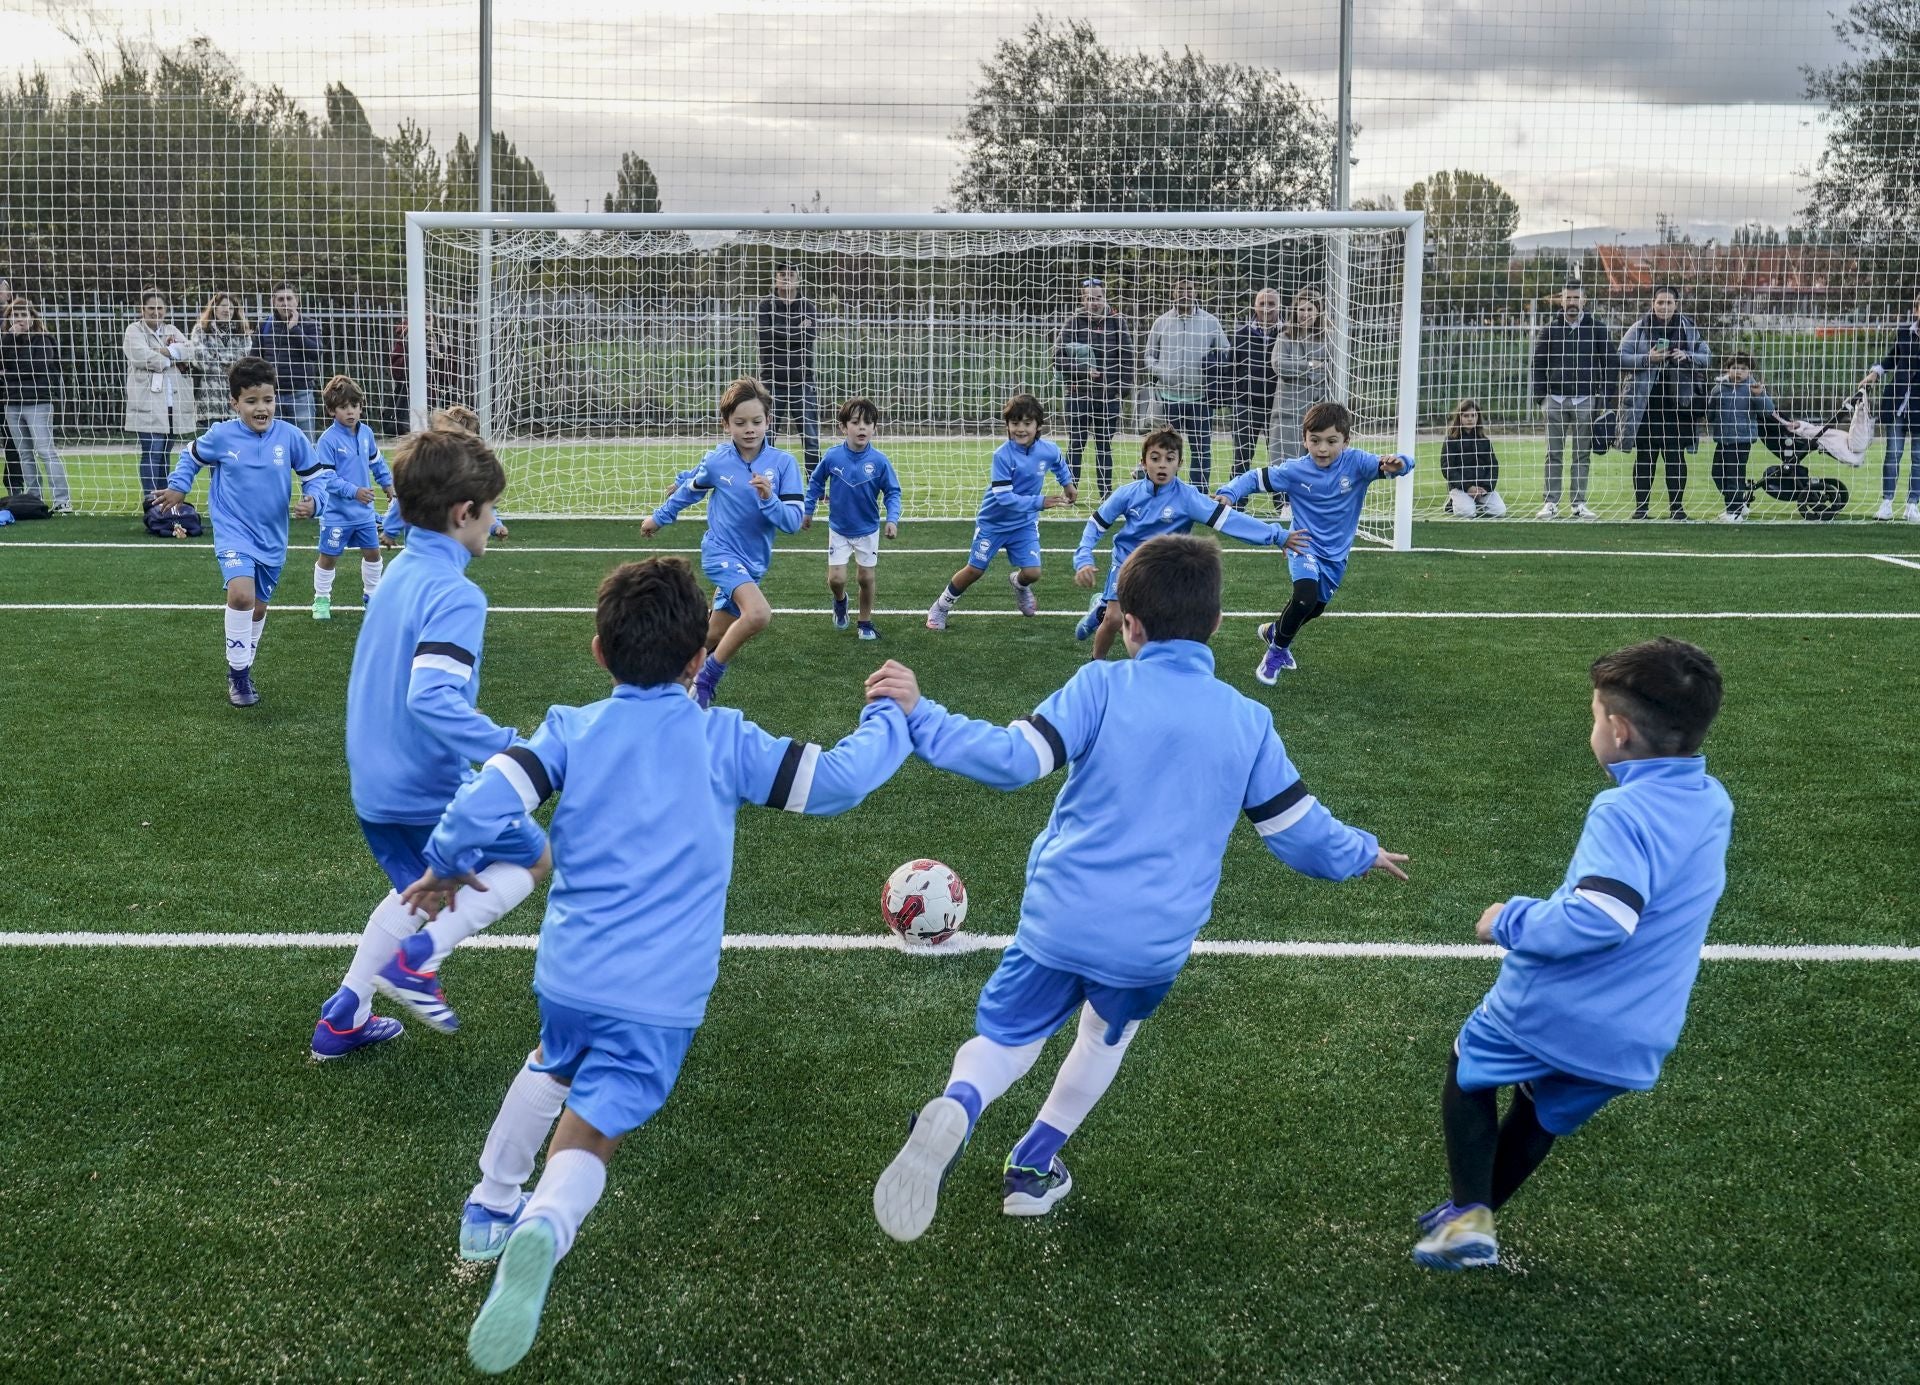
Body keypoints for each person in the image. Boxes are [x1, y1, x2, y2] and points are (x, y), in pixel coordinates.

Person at [399, 557, 913, 1374]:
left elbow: (484, 799)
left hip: (567, 972)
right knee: (595, 1124)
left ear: (599, 655)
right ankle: (544, 1224)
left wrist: (445, 862)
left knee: (553, 1057)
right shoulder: (722, 736)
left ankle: (489, 1201)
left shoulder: (569, 727)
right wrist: (894, 716)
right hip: (662, 995)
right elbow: (838, 781)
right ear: (695, 658)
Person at [868, 534, 1407, 1243]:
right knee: (1102, 1037)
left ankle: (961, 1103)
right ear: (1215, 625)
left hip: (1060, 919)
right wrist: (1362, 852)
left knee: (1004, 1038)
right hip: (1149, 943)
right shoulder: (1248, 720)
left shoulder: (1100, 685)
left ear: (1128, 624)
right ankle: (1032, 1168)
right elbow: (1299, 831)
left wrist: (921, 713)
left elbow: (1011, 759)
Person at [1411, 638, 1729, 1271]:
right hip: (1637, 1034)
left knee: (1468, 1065)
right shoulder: (1713, 801)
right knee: (1540, 1109)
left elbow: (1602, 916)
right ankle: (1472, 1216)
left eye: (1592, 718)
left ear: (1617, 730)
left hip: (1557, 1006)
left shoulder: (1623, 809)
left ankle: (1468, 1214)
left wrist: (1510, 919)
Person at [309, 424, 547, 1060]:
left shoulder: (401, 570)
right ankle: (418, 962)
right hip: (423, 786)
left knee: (420, 890)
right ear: (463, 512)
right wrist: (510, 749)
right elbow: (430, 697)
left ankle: (344, 1014)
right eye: (489, 507)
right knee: (531, 859)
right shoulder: (455, 591)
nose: (493, 520)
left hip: (373, 783)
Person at [149, 356, 327, 707]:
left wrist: (314, 502)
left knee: (258, 609)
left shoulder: (290, 437)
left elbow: (316, 478)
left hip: (273, 538)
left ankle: (244, 663)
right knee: (241, 596)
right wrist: (179, 487)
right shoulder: (222, 435)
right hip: (233, 532)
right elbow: (190, 456)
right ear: (235, 403)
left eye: (268, 400)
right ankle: (239, 675)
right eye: (252, 401)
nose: (262, 408)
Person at [1215, 401, 1412, 684]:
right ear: (1304, 439)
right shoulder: (1295, 470)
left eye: (1332, 441)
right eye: (1315, 440)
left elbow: (1396, 466)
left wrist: (1401, 463)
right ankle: (1276, 653)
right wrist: (1230, 493)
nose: (1322, 449)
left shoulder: (1357, 463)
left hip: (1336, 554)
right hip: (1302, 544)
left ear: (1346, 440)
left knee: (1315, 608)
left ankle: (1275, 631)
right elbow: (1254, 478)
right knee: (1305, 596)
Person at [641, 377, 804, 709]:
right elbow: (692, 489)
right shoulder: (718, 461)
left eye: (757, 421)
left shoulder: (784, 465)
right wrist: (658, 518)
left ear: (768, 421)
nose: (749, 429)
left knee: (709, 638)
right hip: (720, 552)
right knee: (758, 614)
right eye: (740, 422)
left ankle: (661, 684)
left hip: (754, 562)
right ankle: (707, 680)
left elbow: (791, 522)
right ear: (726, 423)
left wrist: (769, 499)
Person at [1071, 428, 1300, 661]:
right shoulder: (1127, 494)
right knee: (1115, 619)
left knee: (1152, 630)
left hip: (1165, 570)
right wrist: (1083, 559)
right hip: (1127, 562)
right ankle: (1095, 664)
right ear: (1143, 462)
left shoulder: (1188, 498)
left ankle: (1102, 612)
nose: (1162, 465)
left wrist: (1276, 535)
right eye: (1155, 458)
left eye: (1169, 459)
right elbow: (1095, 524)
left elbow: (1229, 520)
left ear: (1179, 463)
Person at [925, 393, 1076, 630]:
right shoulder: (1002, 456)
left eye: (1027, 423)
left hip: (1024, 524)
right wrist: (1041, 502)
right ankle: (941, 606)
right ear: (1007, 425)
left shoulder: (1047, 450)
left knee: (1033, 572)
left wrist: (1068, 484)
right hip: (993, 523)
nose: (1021, 429)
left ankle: (1019, 584)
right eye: (1015, 423)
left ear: (1038, 426)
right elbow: (1004, 498)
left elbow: (1058, 461)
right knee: (975, 570)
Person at [802, 396, 902, 640]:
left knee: (866, 577)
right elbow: (815, 482)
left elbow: (893, 492)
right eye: (856, 422)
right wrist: (808, 510)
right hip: (839, 529)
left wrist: (892, 519)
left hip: (868, 529)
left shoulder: (879, 461)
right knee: (836, 579)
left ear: (874, 428)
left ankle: (865, 622)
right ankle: (840, 601)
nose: (862, 427)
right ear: (843, 427)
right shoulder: (833, 457)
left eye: (868, 423)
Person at [1618, 286, 1710, 521]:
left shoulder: (1688, 328)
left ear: (1676, 305)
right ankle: (1641, 509)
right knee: (1645, 456)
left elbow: (1707, 356)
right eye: (1660, 302)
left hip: (1678, 405)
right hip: (1646, 404)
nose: (1664, 307)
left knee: (1675, 456)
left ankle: (1677, 510)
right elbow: (1619, 357)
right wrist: (1648, 359)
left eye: (1669, 303)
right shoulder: (1639, 328)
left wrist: (1686, 356)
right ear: (1653, 303)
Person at [310, 375, 396, 618]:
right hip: (336, 515)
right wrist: (354, 491)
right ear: (331, 410)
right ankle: (322, 599)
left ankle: (372, 595)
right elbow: (327, 478)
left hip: (364, 514)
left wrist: (387, 485)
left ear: (361, 406)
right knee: (328, 557)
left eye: (354, 406)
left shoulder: (366, 433)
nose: (350, 412)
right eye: (343, 407)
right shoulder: (327, 440)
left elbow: (377, 462)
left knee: (373, 553)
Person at [1528, 282, 1612, 519]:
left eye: (1577, 298)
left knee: (1581, 453)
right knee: (1553, 453)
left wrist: (1604, 398)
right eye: (1568, 298)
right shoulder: (1550, 329)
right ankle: (1551, 502)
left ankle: (1578, 503)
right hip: (1554, 399)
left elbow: (1609, 364)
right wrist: (1541, 398)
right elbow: (1538, 365)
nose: (1572, 302)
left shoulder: (1597, 328)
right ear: (1561, 301)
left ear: (1584, 301)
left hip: (1585, 400)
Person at [1052, 277, 1135, 497]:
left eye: (1098, 298)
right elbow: (1057, 357)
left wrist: (1120, 388)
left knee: (1104, 446)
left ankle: (1106, 494)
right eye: (1089, 298)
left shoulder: (1117, 321)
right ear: (1083, 299)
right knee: (1075, 445)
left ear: (1104, 297)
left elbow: (1127, 357)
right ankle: (1070, 492)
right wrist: (1083, 371)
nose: (1094, 302)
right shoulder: (1073, 321)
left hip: (1107, 397)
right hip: (1077, 395)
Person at [1143, 278, 1229, 490]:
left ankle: (1199, 495)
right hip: (1169, 398)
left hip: (1200, 398)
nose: (1185, 293)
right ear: (1173, 293)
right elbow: (1148, 356)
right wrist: (1162, 371)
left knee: (1202, 451)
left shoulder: (1210, 322)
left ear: (1196, 292)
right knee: (1168, 451)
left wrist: (1211, 369)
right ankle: (1168, 492)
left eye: (1189, 289)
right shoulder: (1161, 322)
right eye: (1180, 289)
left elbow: (1225, 352)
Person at [379, 406, 509, 545]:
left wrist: (495, 526)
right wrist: (389, 531)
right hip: (420, 542)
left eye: (469, 441)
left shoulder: (470, 473)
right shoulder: (427, 467)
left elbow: (482, 503)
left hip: (452, 543)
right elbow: (405, 499)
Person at [0, 295, 72, 512]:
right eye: (15, 315)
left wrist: (7, 375)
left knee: (45, 450)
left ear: (32, 317)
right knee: (23, 453)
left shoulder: (43, 340)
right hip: (12, 402)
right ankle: (34, 499)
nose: (19, 319)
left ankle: (62, 500)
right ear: (8, 319)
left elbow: (36, 367)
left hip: (38, 402)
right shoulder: (6, 340)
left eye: (24, 315)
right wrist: (10, 340)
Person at [124, 289, 197, 500]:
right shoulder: (134, 330)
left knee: (165, 453)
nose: (156, 312)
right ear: (142, 309)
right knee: (152, 451)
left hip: (171, 402)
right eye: (151, 308)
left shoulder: (171, 329)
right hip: (148, 401)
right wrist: (171, 356)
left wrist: (168, 351)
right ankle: (150, 500)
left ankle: (164, 499)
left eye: (160, 308)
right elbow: (140, 356)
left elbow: (190, 350)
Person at [1855, 289, 1920, 522]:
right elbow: (1892, 358)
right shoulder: (1905, 333)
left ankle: (1913, 505)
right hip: (1896, 403)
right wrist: (1874, 373)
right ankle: (1886, 503)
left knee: (1918, 457)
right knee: (1893, 454)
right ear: (1915, 309)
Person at [755, 262, 820, 477]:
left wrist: (780, 331)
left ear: (798, 279)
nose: (786, 278)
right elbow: (765, 338)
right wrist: (796, 332)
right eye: (782, 274)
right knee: (766, 436)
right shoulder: (766, 306)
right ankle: (762, 482)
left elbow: (809, 337)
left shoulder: (808, 307)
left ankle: (816, 489)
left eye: (791, 274)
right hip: (771, 382)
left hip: (802, 381)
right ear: (775, 278)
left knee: (810, 438)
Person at [1267, 289, 1334, 472]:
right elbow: (1279, 365)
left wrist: (1299, 369)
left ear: (1318, 312)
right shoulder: (1285, 337)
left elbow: (1329, 370)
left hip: (1317, 415)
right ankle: (1282, 502)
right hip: (1287, 413)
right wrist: (1310, 366)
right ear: (1295, 311)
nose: (1305, 314)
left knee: (1316, 467)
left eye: (1310, 309)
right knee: (1283, 467)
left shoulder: (1328, 340)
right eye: (1301, 309)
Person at [1705, 354, 1773, 524]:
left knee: (1734, 475)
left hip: (1742, 439)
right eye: (1735, 367)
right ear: (1728, 369)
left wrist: (1760, 395)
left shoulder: (1753, 388)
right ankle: (1740, 502)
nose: (1739, 372)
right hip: (1723, 439)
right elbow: (1710, 411)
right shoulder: (1719, 388)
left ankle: (1733, 512)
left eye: (1743, 369)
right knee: (1717, 473)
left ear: (1749, 371)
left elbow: (1767, 412)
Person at [1226, 289, 1283, 487]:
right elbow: (1231, 369)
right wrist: (1236, 399)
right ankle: (1234, 504)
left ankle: (1283, 505)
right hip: (1245, 407)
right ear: (1254, 306)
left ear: (1279, 306)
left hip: (1277, 407)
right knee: (1241, 460)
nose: (1266, 308)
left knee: (1279, 461)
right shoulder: (1241, 334)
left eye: (1271, 303)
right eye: (1262, 303)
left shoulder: (1288, 333)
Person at [259, 282, 323, 439]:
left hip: (301, 394)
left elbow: (316, 353)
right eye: (280, 299)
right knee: (275, 447)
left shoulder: (309, 324)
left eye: (289, 298)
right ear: (273, 302)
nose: (285, 303)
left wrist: (294, 329)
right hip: (272, 397)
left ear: (297, 300)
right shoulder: (264, 326)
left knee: (306, 446)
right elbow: (256, 359)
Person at [190, 293, 254, 425]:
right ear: (215, 307)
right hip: (209, 401)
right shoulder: (201, 330)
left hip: (235, 401)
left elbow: (246, 361)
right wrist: (230, 363)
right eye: (223, 306)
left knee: (235, 444)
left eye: (231, 308)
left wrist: (216, 356)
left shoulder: (242, 331)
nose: (227, 310)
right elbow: (201, 360)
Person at [1440, 400, 1506, 518]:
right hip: (1461, 487)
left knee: (1499, 511)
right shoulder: (1451, 440)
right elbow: (1447, 468)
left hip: (1481, 488)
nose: (1470, 419)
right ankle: (1452, 502)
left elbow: (1493, 465)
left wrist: (1486, 487)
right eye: (1466, 415)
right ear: (1459, 417)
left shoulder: (1484, 441)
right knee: (1467, 513)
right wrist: (1468, 487)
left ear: (1478, 417)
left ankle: (1477, 502)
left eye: (1473, 415)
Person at [0, 275, 25, 493]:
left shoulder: (16, 320)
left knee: (12, 438)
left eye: (3, 289)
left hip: (9, 388)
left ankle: (14, 484)